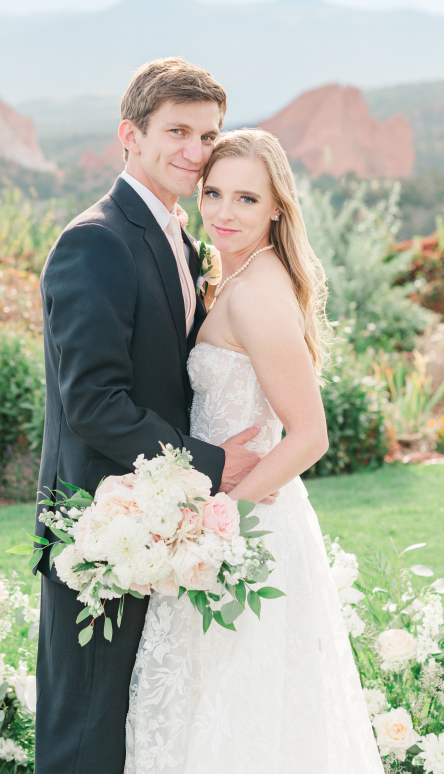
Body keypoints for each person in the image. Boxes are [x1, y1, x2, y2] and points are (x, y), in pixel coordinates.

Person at [34, 59, 272, 774]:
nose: (195, 152)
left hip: (162, 527)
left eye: (207, 135)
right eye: (177, 131)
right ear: (128, 136)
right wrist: (212, 464)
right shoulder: (96, 241)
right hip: (100, 533)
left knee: (144, 724)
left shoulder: (181, 237)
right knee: (88, 728)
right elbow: (94, 403)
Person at [125, 129, 384, 773]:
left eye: (246, 199)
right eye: (213, 193)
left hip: (247, 529)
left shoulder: (262, 289)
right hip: (220, 523)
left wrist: (220, 516)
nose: (223, 212)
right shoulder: (230, 274)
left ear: (276, 209)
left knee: (247, 722)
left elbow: (310, 435)